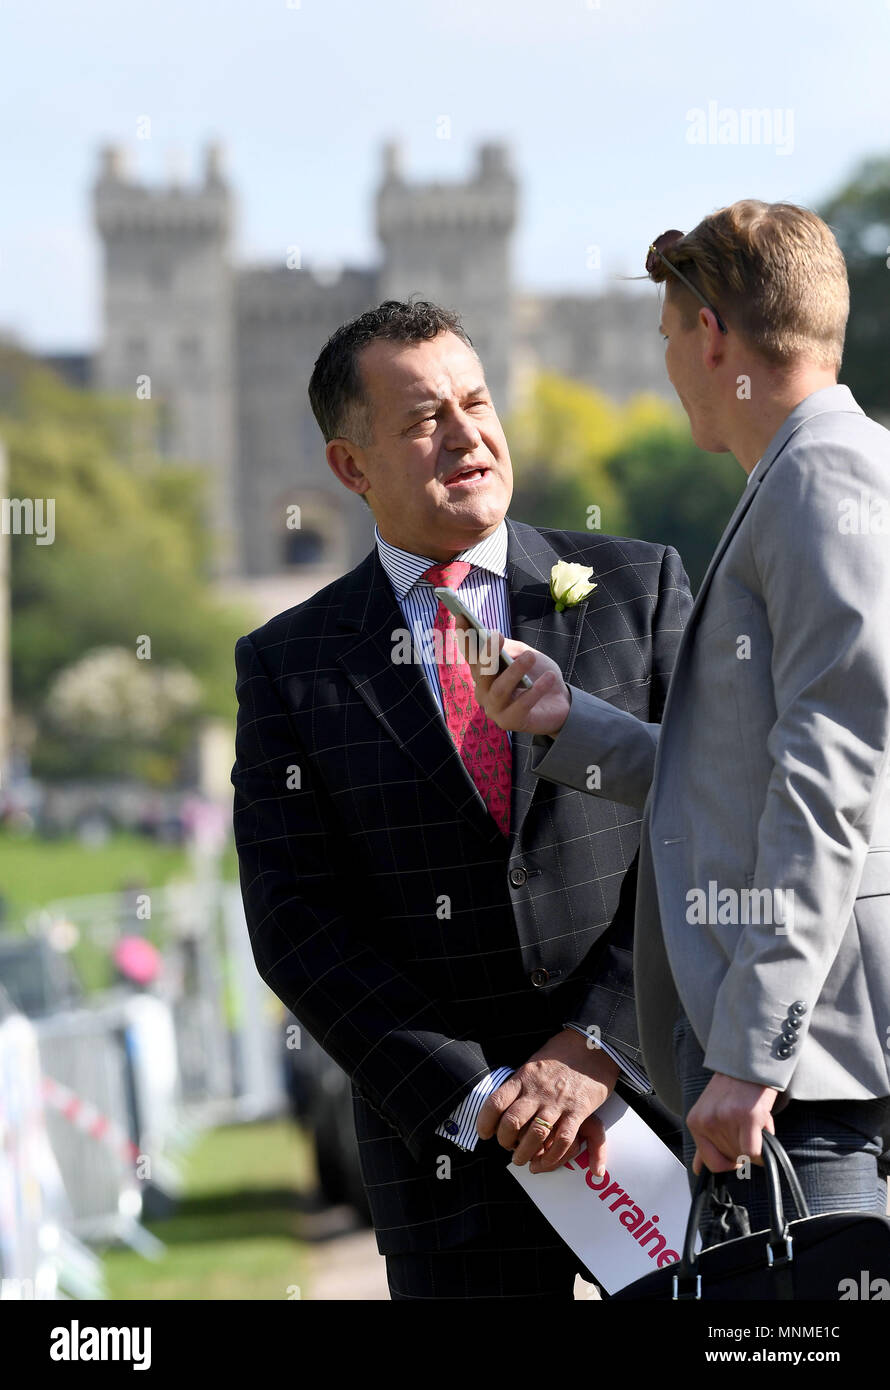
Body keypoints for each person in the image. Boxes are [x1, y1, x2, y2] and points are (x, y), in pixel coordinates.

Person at [231, 298, 692, 1300]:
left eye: (475, 401)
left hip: (652, 1142)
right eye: (422, 419)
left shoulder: (636, 587)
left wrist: (596, 1044)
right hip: (448, 1174)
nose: (466, 434)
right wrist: (471, 1093)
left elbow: (700, 834)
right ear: (349, 467)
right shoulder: (285, 664)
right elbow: (294, 919)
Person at [467, 202, 890, 1240]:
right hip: (806, 1065)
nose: (666, 367)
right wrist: (575, 725)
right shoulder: (809, 473)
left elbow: (828, 781)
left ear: (710, 337)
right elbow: (740, 783)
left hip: (808, 1074)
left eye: (665, 338)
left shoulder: (818, 480)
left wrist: (751, 1051)